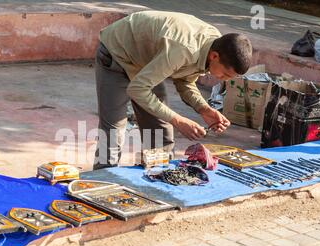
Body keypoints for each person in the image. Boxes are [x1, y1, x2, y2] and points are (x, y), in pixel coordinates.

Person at [93, 10, 253, 170]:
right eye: (225, 74)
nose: (225, 79)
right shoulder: (183, 50)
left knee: (160, 130)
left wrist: (204, 109)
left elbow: (184, 80)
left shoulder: (214, 44)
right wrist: (178, 120)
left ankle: (157, 179)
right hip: (117, 53)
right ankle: (101, 181)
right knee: (113, 132)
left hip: (148, 61)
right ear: (214, 56)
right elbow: (138, 89)